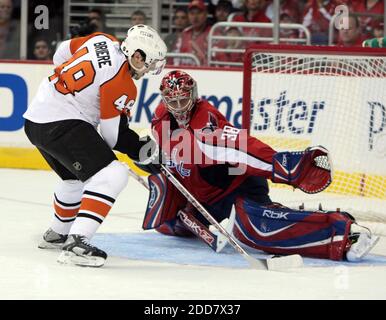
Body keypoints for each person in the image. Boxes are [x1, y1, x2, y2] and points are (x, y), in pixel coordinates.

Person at [140, 70, 379, 262]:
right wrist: (154, 161)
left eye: (184, 99)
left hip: (238, 186)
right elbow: (170, 155)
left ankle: (342, 232)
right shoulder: (160, 119)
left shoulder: (206, 121)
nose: (180, 107)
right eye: (174, 101)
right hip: (205, 198)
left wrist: (282, 166)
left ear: (194, 95)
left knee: (254, 229)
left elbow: (241, 149)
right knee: (168, 222)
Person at [23, 25, 167, 267]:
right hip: (61, 124)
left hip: (36, 118)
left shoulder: (102, 39)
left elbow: (61, 52)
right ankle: (77, 242)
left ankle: (58, 233)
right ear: (137, 55)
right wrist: (144, 151)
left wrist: (70, 93)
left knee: (75, 179)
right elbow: (113, 138)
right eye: (150, 64)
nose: (149, 70)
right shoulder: (122, 82)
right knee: (112, 174)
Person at [174, 0, 212, 66]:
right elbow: (176, 58)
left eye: (199, 13)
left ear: (206, 14)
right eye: (192, 13)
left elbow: (216, 61)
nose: (195, 17)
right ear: (188, 15)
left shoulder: (212, 33)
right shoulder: (185, 33)